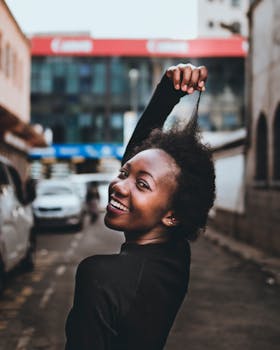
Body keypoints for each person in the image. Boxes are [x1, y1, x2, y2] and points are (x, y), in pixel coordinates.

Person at [65, 63, 216, 350]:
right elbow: (140, 158)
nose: (119, 185)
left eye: (142, 184)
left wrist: (167, 92)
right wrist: (169, 92)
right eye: (124, 173)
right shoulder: (173, 257)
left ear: (172, 215)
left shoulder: (100, 278)